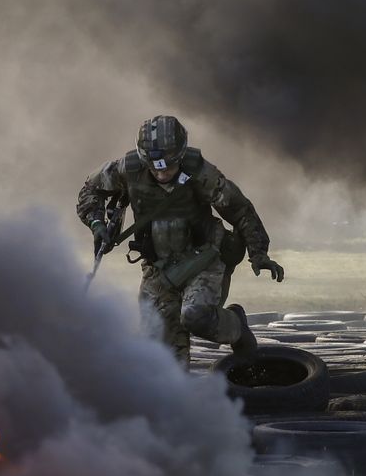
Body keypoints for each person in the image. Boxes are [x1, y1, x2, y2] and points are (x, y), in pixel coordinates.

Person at [76, 115, 284, 365]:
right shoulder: (128, 170)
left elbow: (240, 210)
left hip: (203, 258)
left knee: (195, 316)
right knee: (157, 348)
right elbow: (90, 190)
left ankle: (236, 326)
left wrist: (259, 254)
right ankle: (176, 397)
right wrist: (98, 224)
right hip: (158, 268)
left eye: (169, 166)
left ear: (180, 156)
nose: (162, 172)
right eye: (155, 167)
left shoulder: (200, 173)